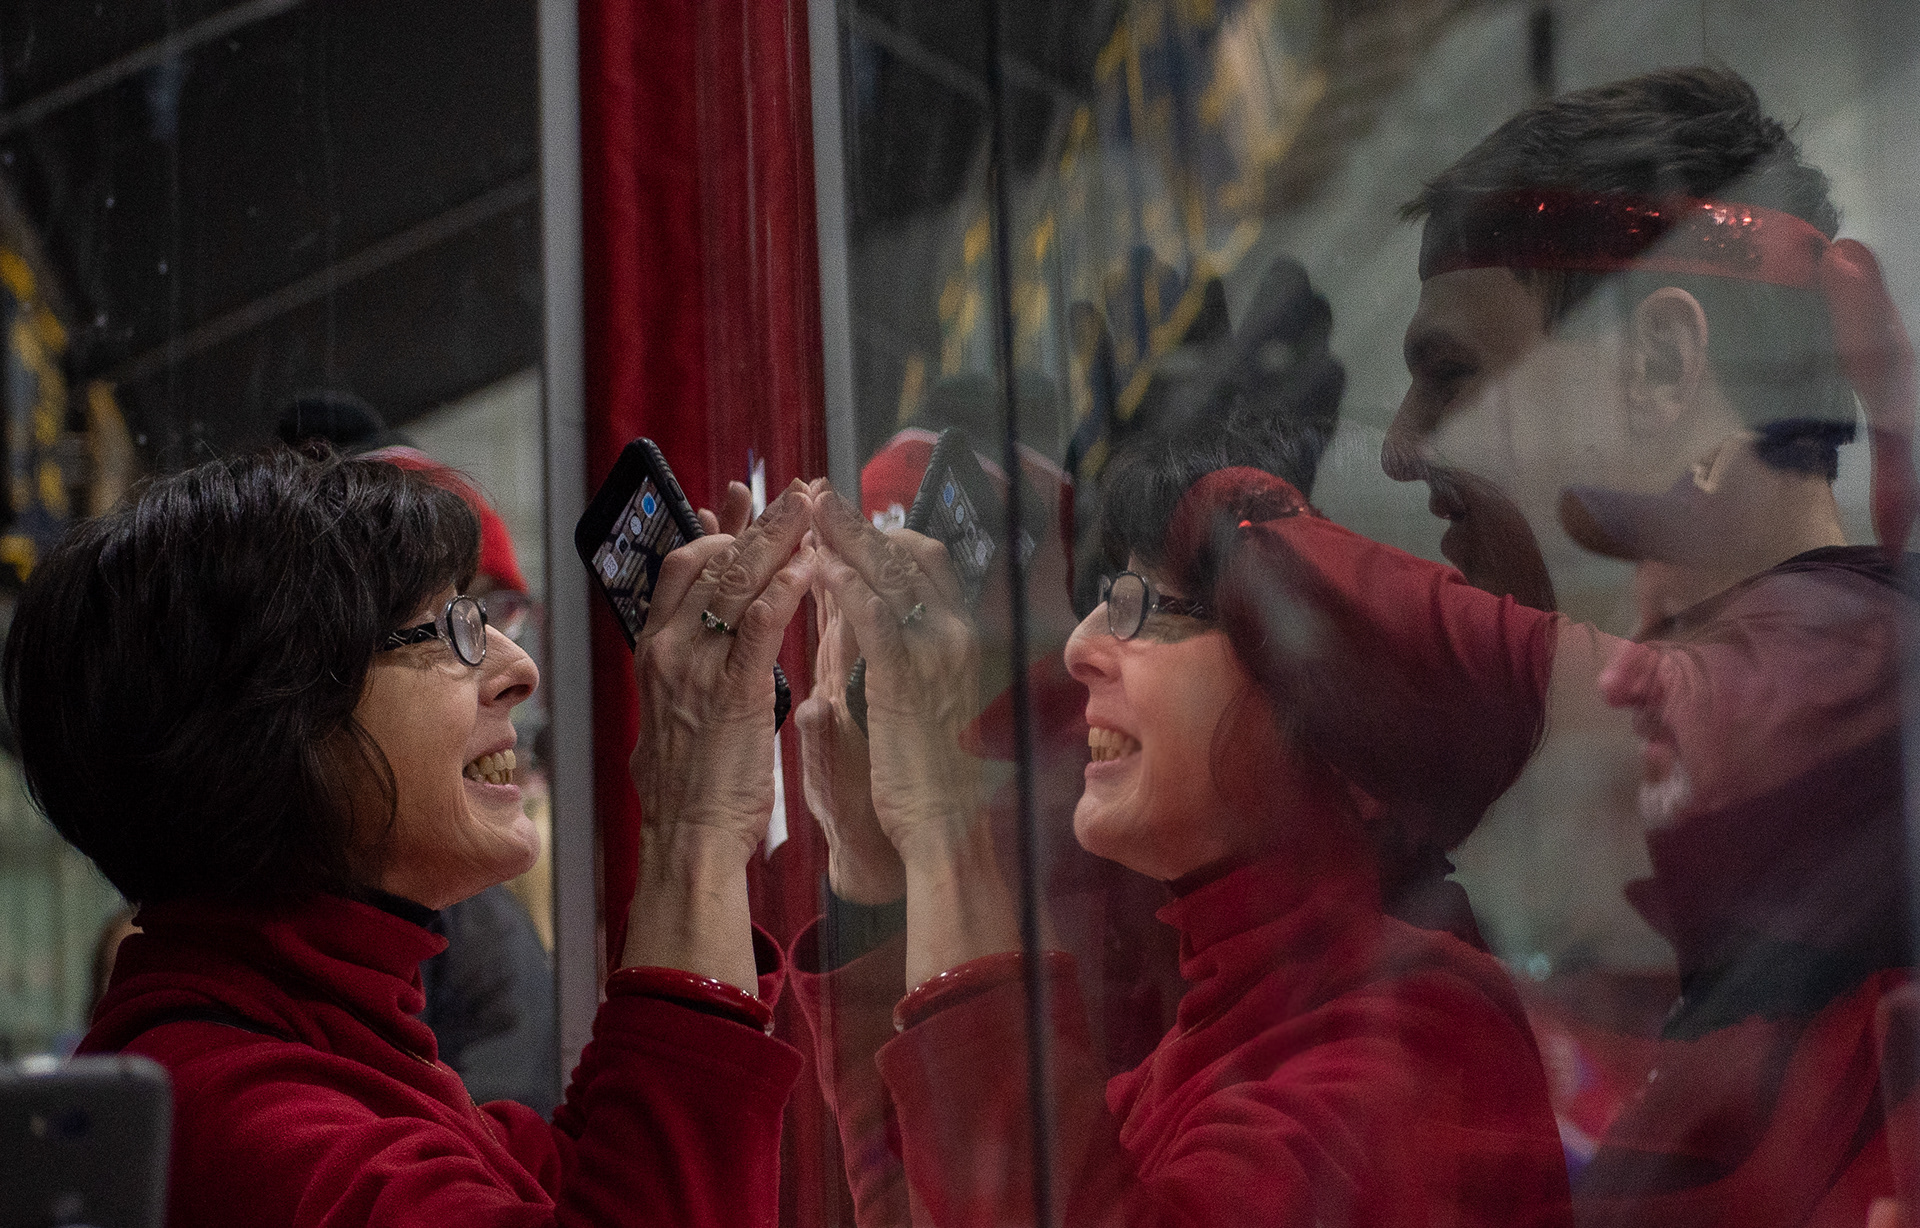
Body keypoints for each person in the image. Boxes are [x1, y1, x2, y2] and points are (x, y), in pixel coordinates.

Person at [4, 448, 815, 1226]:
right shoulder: (243, 1121)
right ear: (276, 721)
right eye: (451, 627)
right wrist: (693, 829)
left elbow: (569, 1182)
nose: (519, 668)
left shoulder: (325, 1037)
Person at [790, 422, 1574, 1227]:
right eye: (1102, 602)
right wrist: (870, 870)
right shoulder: (1189, 1051)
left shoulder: (1426, 1035)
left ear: (1337, 698)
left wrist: (937, 818)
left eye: (1146, 610)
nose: (1081, 647)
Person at [1382, 65, 1920, 1222]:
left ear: (1665, 366)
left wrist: (1225, 537)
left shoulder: (1857, 699)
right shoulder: (1780, 802)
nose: (1399, 447)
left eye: (1452, 376)